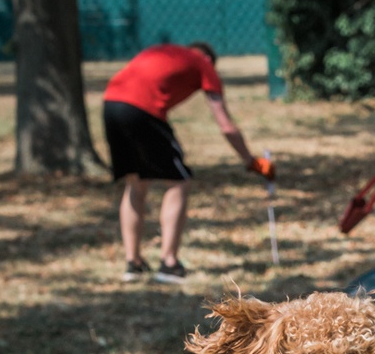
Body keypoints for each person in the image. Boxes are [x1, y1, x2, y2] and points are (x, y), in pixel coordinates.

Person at [103, 41, 274, 283]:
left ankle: (133, 263)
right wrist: (251, 161)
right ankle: (169, 263)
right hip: (143, 110)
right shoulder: (203, 64)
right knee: (179, 182)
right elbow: (225, 125)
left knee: (136, 183)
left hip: (111, 103)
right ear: (208, 59)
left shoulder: (163, 51)